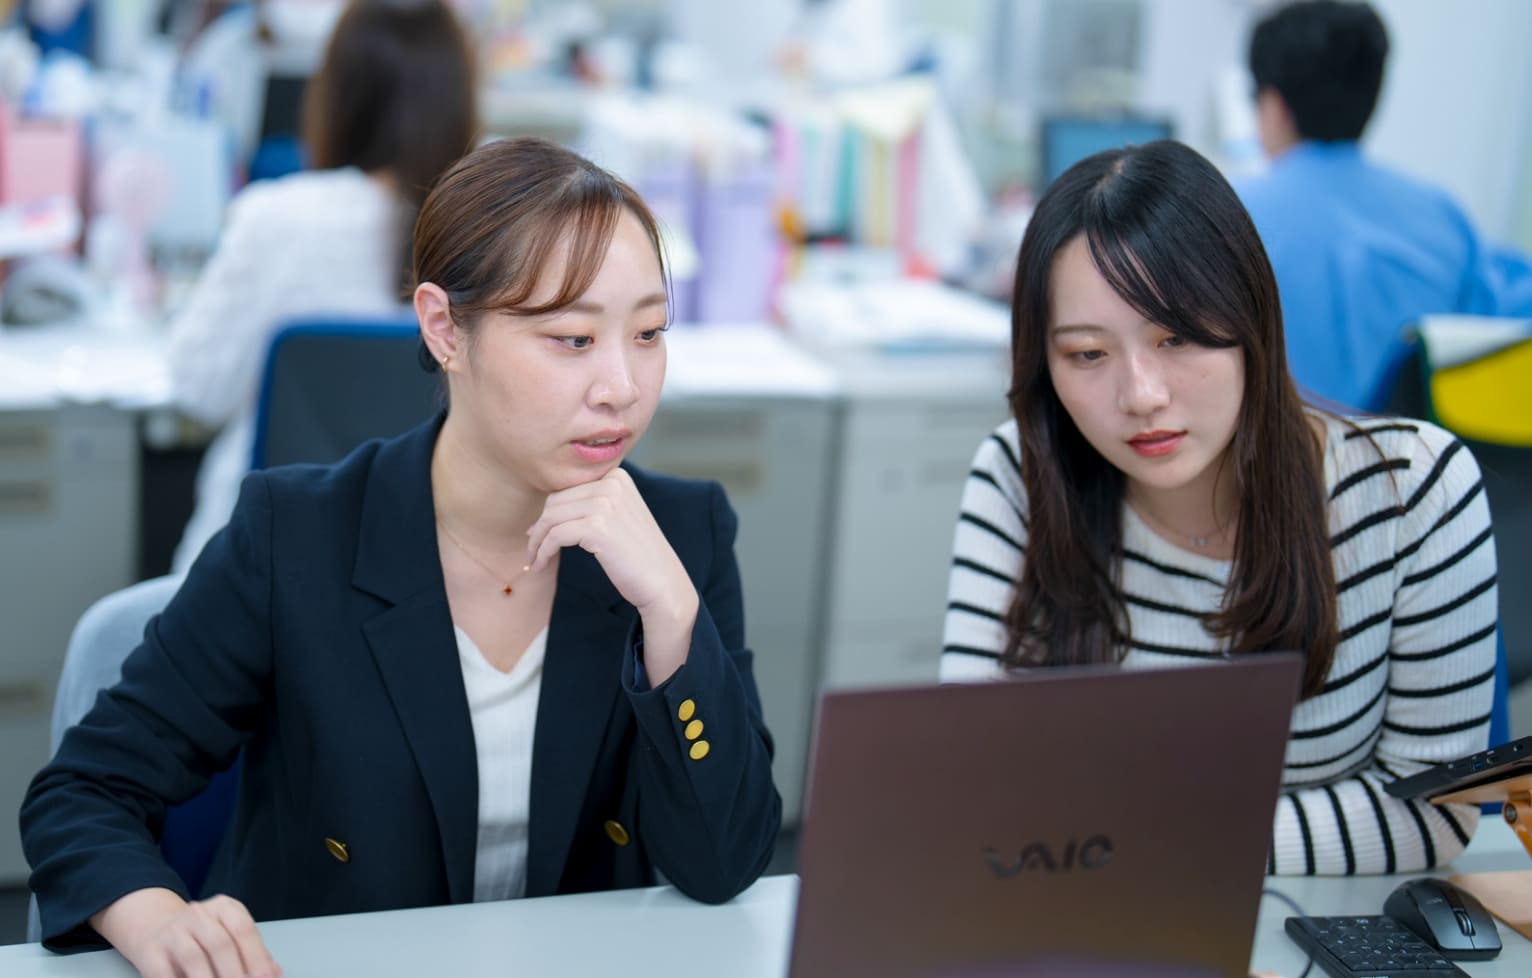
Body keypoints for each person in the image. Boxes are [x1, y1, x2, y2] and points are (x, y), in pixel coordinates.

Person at [22, 136, 782, 975]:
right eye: (572, 339)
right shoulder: (296, 534)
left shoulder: (678, 535)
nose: (623, 387)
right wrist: (153, 915)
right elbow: (83, 792)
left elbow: (724, 862)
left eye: (648, 333)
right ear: (445, 328)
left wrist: (672, 618)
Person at [940, 139, 1497, 876]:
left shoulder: (1413, 492)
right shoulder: (1020, 477)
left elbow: (1436, 807)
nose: (1142, 396)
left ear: (1249, 319)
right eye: (1087, 354)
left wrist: (1144, 841)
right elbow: (972, 784)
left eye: (1176, 337)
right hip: (1082, 918)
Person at [167, 0, 476, 572]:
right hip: (425, 572)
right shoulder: (491, 233)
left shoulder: (278, 218)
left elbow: (196, 389)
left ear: (336, 94)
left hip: (257, 567)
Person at [1237, 0, 1532, 411]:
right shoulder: (1442, 217)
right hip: (1415, 451)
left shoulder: (1228, 216)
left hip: (1273, 450)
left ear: (1274, 105)